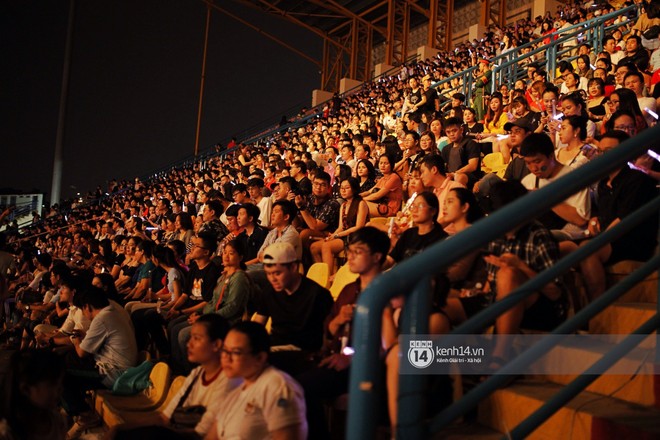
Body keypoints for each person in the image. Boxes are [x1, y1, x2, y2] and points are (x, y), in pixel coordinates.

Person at [297, 227, 389, 440]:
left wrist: (351, 358)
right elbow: (329, 329)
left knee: (303, 387)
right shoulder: (349, 290)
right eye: (350, 250)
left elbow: (391, 343)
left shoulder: (388, 291)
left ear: (377, 256)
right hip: (338, 357)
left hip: (371, 365)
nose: (350, 256)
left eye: (359, 251)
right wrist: (338, 321)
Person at [111, 315, 241, 439]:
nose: (189, 344)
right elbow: (164, 418)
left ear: (216, 344)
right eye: (191, 338)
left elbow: (201, 434)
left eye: (197, 338)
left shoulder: (229, 382)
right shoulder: (197, 374)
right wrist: (120, 427)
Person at [484, 180, 567, 363]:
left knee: (509, 274)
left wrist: (521, 267)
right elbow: (490, 284)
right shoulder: (497, 236)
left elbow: (555, 292)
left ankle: (500, 355)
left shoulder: (538, 235)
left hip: (543, 309)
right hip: (501, 302)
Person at [579, 131, 659, 300]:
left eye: (607, 152)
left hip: (632, 240)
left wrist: (599, 238)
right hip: (609, 237)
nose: (602, 156)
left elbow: (624, 220)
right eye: (600, 151)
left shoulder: (637, 179)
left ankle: (597, 309)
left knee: (587, 250)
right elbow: (604, 215)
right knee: (564, 248)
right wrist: (595, 221)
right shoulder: (603, 183)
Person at [207, 321, 308, 440]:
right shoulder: (235, 390)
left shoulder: (277, 387)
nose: (226, 358)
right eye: (224, 350)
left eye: (236, 352)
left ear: (260, 358)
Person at [251, 242, 333, 375]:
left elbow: (328, 336)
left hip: (304, 353)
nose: (272, 279)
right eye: (268, 274)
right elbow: (257, 326)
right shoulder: (269, 292)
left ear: (294, 267)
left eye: (277, 273)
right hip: (275, 348)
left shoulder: (317, 295)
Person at [64, 286, 138, 429]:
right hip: (116, 367)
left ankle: (85, 415)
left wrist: (75, 341)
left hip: (114, 373)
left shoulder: (102, 319)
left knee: (60, 372)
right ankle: (79, 408)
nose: (84, 314)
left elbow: (82, 352)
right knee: (67, 360)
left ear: (87, 306)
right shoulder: (112, 313)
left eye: (83, 310)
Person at [0, 349, 67, 440]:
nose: (61, 389)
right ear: (26, 389)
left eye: (60, 383)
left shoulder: (57, 421)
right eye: (53, 384)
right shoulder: (7, 432)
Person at [311, 177, 369, 275]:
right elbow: (341, 227)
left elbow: (359, 226)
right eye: (341, 188)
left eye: (346, 188)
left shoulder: (361, 203)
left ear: (354, 189)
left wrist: (338, 235)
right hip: (343, 235)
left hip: (354, 236)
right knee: (314, 247)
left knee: (326, 246)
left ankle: (328, 277)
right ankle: (321, 274)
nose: (343, 190)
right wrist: (333, 235)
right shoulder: (344, 205)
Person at [441, 117, 482, 187]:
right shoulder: (445, 149)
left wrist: (454, 174)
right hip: (451, 176)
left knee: (459, 177)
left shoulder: (471, 143)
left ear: (461, 130)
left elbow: (473, 166)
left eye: (454, 131)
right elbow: (444, 167)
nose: (451, 134)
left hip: (470, 177)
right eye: (448, 132)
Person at [361, 153, 403, 217]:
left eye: (386, 163)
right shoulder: (382, 178)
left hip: (390, 209)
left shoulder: (394, 177)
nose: (382, 165)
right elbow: (369, 192)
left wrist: (361, 200)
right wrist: (356, 196)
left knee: (360, 204)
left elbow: (377, 195)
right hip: (381, 205)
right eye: (381, 163)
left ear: (391, 164)